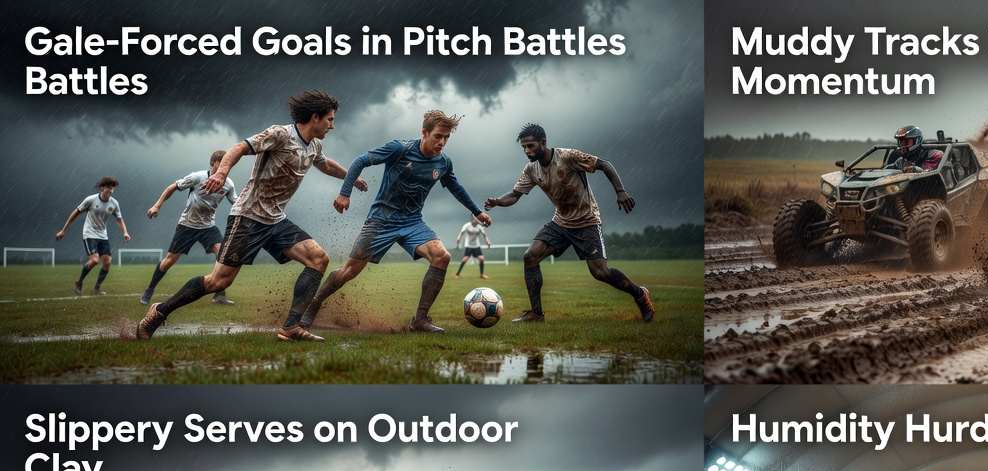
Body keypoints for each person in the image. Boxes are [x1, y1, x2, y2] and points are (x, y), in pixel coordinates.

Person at [138, 90, 368, 342]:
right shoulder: (280, 134)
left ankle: (291, 327)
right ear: (315, 117)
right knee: (218, 282)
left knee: (318, 259)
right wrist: (222, 173)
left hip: (276, 220)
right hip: (248, 218)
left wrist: (351, 178)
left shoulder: (314, 145)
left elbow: (323, 164)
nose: (332, 126)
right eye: (330, 120)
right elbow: (240, 147)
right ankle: (159, 312)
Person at [294, 110, 493, 335]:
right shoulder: (401, 149)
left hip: (412, 222)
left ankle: (420, 320)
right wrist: (345, 193)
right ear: (424, 133)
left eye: (446, 138)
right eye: (438, 136)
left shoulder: (444, 162)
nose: (442, 142)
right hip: (382, 221)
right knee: (349, 271)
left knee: (442, 257)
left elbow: (455, 187)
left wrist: (476, 212)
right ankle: (313, 306)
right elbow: (361, 161)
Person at [483, 123, 654, 323]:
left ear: (543, 142)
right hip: (561, 221)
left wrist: (620, 191)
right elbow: (514, 195)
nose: (527, 151)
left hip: (586, 220)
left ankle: (640, 295)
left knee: (600, 273)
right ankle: (536, 314)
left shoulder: (567, 156)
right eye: (524, 147)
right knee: (530, 256)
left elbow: (604, 164)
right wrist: (497, 202)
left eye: (530, 146)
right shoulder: (531, 169)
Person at [143, 151, 239, 306]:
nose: (223, 168)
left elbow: (236, 203)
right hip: (187, 225)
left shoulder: (228, 184)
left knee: (222, 253)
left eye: (226, 165)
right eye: (220, 164)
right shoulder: (198, 177)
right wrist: (156, 206)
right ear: (213, 163)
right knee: (169, 261)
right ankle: (150, 289)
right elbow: (172, 187)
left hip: (208, 227)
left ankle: (219, 294)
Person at [56, 177, 130, 295]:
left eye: (112, 188)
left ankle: (96, 289)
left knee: (107, 261)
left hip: (103, 235)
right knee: (94, 260)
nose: (110, 191)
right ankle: (79, 282)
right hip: (89, 233)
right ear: (102, 188)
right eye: (108, 188)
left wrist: (125, 232)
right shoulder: (90, 200)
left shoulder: (114, 203)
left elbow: (119, 219)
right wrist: (63, 230)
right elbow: (75, 213)